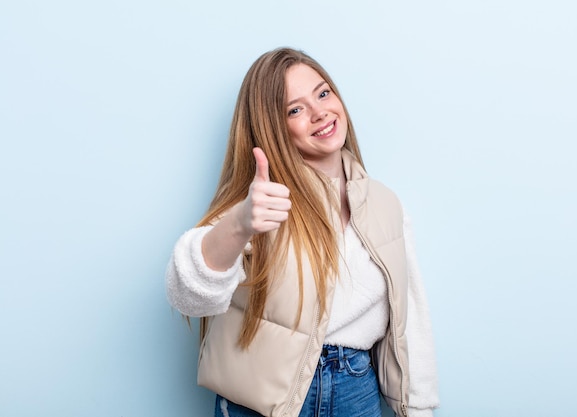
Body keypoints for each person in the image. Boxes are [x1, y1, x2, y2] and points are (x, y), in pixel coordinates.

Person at [166, 47, 439, 417]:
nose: (319, 112)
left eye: (323, 93)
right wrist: (240, 222)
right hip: (260, 395)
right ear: (273, 128)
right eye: (294, 109)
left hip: (355, 387)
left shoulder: (386, 204)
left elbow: (411, 318)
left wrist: (419, 408)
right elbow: (189, 298)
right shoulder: (261, 202)